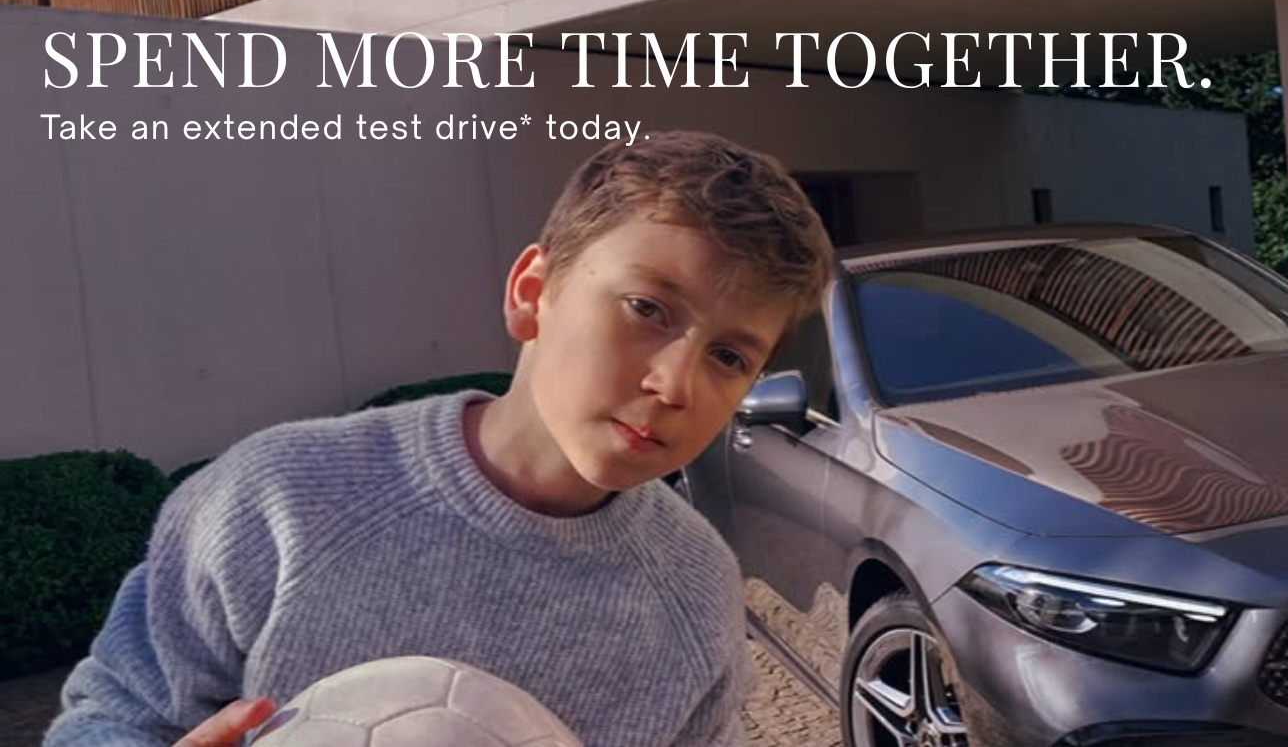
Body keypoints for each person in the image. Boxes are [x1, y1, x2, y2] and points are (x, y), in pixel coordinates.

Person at [45, 131, 836, 747]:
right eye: (647, 309)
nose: (677, 384)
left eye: (729, 357)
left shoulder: (694, 592)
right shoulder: (279, 498)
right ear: (533, 294)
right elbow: (114, 711)